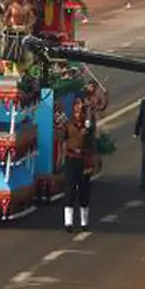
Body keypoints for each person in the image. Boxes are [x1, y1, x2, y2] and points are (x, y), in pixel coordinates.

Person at [62, 98, 96, 233]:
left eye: (81, 106)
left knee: (84, 191)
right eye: (77, 105)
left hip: (84, 159)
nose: (79, 108)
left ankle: (84, 222)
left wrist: (92, 161)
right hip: (71, 159)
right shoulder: (68, 123)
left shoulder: (88, 124)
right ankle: (68, 222)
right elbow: (63, 139)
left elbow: (92, 143)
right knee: (69, 190)